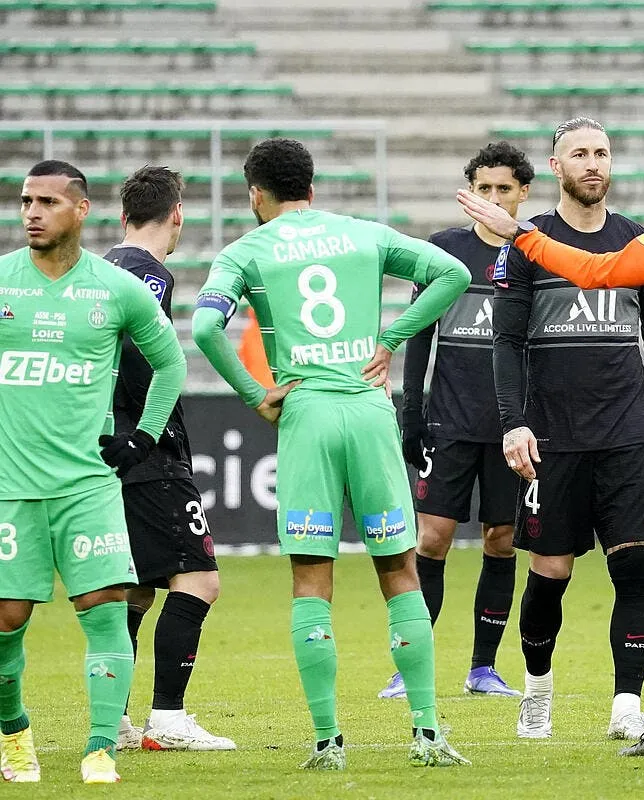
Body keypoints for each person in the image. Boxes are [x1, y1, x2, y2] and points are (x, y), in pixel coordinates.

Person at [191, 138, 472, 770]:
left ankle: (327, 742)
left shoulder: (247, 251)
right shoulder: (363, 233)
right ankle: (427, 734)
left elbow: (206, 327)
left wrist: (255, 394)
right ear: (313, 189)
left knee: (311, 578)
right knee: (399, 569)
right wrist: (393, 336)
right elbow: (453, 274)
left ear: (257, 195)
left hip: (307, 413)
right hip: (369, 409)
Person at [484, 117, 644, 741]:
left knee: (634, 566)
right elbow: (507, 341)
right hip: (553, 439)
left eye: (602, 153)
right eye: (580, 154)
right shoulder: (529, 241)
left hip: (626, 436)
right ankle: (537, 687)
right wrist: (514, 424)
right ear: (555, 165)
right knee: (552, 573)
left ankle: (626, 704)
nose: (593, 164)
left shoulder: (638, 241)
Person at [0, 160, 187, 783]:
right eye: (26, 200)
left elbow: (170, 365)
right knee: (7, 619)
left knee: (105, 605)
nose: (31, 212)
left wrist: (141, 438)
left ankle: (100, 748)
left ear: (81, 210)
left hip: (87, 485)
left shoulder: (116, 288)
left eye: (47, 202)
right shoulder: (2, 280)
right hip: (11, 489)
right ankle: (14, 733)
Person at [379, 142, 534, 701]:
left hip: (510, 426)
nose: (493, 198)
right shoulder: (444, 251)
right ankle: (409, 669)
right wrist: (412, 409)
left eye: (504, 189)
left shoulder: (535, 250)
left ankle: (483, 668)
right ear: (469, 190)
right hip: (449, 419)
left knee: (502, 539)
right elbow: (421, 331)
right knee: (432, 537)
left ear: (524, 193)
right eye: (484, 188)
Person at [104, 166, 234, 752]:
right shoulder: (147, 275)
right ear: (176, 215)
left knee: (134, 590)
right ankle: (170, 716)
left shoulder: (102, 267)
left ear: (122, 215)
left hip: (107, 449)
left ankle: (117, 720)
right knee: (199, 580)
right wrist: (148, 433)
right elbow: (141, 355)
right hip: (148, 453)